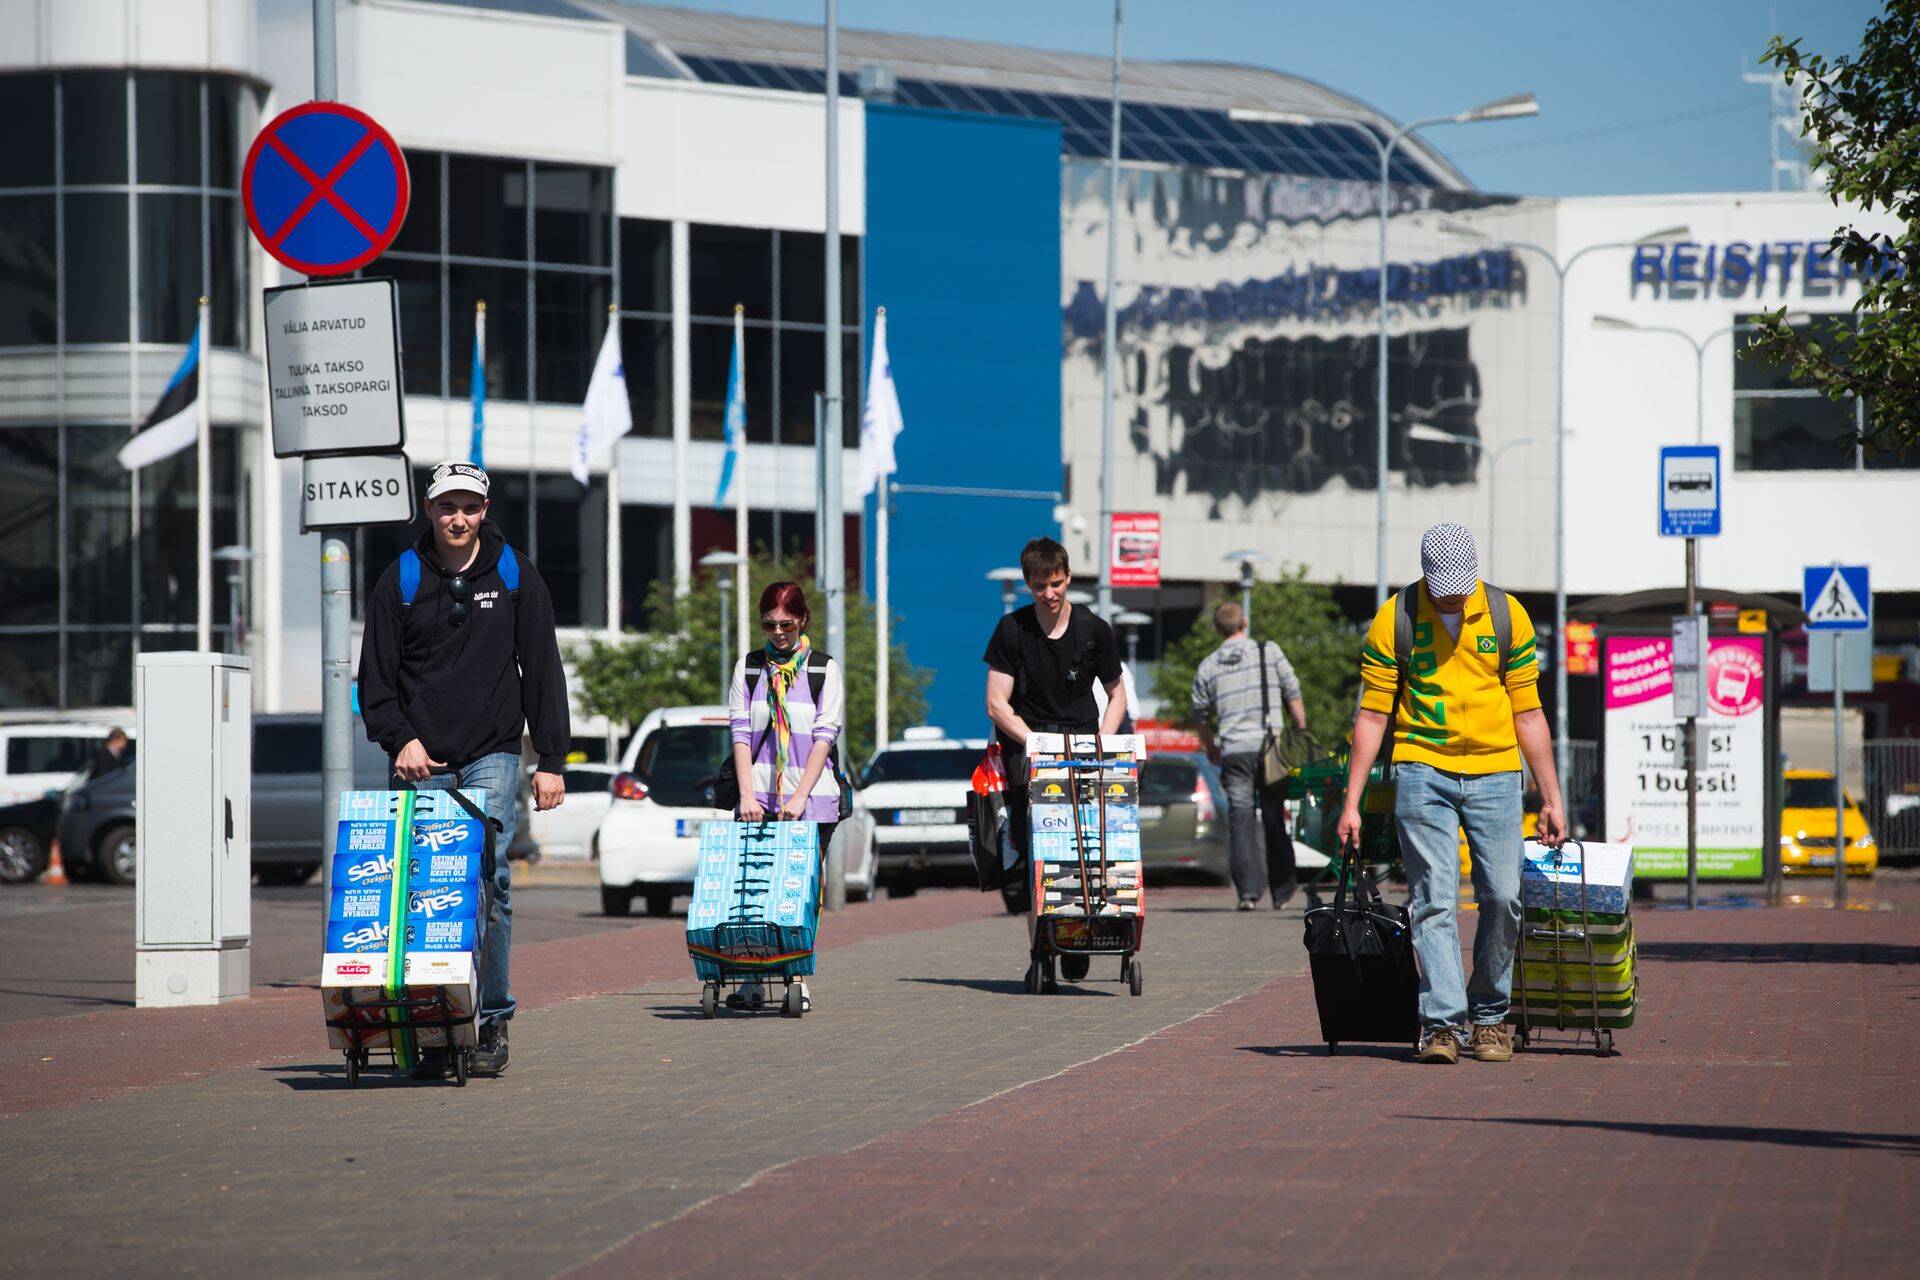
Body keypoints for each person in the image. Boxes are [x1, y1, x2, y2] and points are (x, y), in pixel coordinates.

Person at [357, 460, 571, 1078]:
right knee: (420, 890)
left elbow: (543, 667)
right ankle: (431, 1017)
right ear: (429, 509)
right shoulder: (399, 578)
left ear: (485, 510)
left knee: (486, 882)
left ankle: (492, 1019)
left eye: (470, 508)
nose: (459, 518)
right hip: (418, 760)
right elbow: (377, 679)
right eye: (448, 507)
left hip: (492, 754)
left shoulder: (513, 574)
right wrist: (400, 741)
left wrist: (551, 759)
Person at [1334, 522, 1565, 1066]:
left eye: (1461, 585)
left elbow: (1528, 712)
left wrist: (1552, 797)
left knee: (1503, 897)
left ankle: (1489, 1018)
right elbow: (1373, 713)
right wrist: (1353, 801)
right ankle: (1441, 1024)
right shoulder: (1397, 618)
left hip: (1496, 772)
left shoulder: (1508, 616)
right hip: (1421, 768)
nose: (1453, 596)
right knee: (1433, 900)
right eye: (1443, 587)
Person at [983, 537, 1127, 988]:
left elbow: (1116, 692)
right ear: (1028, 584)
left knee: (1086, 851)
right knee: (1039, 858)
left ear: (1068, 578)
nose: (1051, 593)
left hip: (1084, 748)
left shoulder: (1094, 630)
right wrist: (1035, 743)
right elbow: (996, 704)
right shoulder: (1012, 630)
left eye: (1058, 583)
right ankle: (1040, 950)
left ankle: (1079, 935)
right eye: (1042, 585)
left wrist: (1103, 742)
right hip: (1031, 751)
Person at [728, 580, 846, 1013]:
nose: (779, 632)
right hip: (756, 799)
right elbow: (740, 734)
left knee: (799, 891)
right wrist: (745, 795)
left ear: (803, 621)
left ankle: (796, 975)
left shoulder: (822, 670)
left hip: (811, 801)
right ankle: (754, 979)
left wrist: (799, 797)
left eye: (787, 623)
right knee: (753, 890)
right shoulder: (748, 669)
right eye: (770, 624)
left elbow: (824, 737)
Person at [1191, 601, 1308, 911]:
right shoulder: (1268, 651)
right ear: (1244, 624)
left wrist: (1211, 747)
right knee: (1273, 815)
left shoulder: (1208, 666)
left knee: (1240, 819)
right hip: (1270, 745)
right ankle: (1282, 892)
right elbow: (1292, 691)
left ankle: (1248, 894)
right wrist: (1300, 727)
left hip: (1233, 751)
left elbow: (1200, 716)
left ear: (1218, 630)